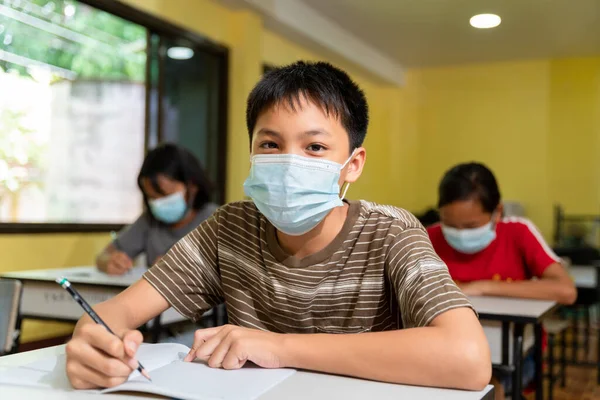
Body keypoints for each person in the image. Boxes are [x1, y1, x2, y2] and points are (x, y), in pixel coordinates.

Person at [66, 61, 491, 391]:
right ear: (251, 151)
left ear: (352, 164)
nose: (290, 163)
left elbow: (468, 358)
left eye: (315, 147)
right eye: (270, 144)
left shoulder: (391, 232)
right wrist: (93, 340)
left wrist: (277, 346)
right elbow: (118, 311)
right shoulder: (230, 228)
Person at [426, 162, 576, 399]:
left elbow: (566, 291)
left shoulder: (518, 232)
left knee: (487, 385)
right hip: (448, 347)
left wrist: (482, 287)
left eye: (471, 226)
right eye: (450, 225)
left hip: (515, 353)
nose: (460, 233)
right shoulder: (429, 237)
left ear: (497, 212)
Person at [96, 144, 219, 275]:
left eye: (165, 196)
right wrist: (111, 261)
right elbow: (102, 256)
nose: (158, 204)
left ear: (192, 186)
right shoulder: (149, 221)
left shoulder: (217, 220)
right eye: (151, 197)